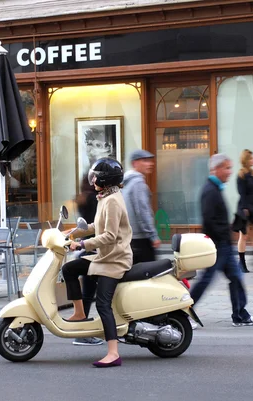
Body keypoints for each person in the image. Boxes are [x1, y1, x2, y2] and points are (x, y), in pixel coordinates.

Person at [62, 158, 133, 367]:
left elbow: (110, 235)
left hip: (115, 260)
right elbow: (97, 225)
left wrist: (82, 244)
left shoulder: (112, 201)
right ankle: (79, 312)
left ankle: (113, 353)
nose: (92, 182)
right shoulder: (105, 196)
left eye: (95, 178)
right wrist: (73, 232)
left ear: (105, 179)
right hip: (105, 257)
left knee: (103, 304)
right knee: (69, 268)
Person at [190, 154, 253, 327]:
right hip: (218, 245)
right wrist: (222, 236)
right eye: (227, 168)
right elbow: (208, 220)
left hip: (223, 244)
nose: (230, 172)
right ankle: (184, 312)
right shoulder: (210, 191)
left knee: (236, 278)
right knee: (206, 280)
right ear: (217, 169)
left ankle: (240, 315)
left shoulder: (215, 188)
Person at [72, 174, 103, 346]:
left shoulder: (83, 197)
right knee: (93, 293)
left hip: (87, 247)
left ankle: (82, 328)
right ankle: (82, 331)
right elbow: (96, 226)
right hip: (93, 249)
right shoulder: (94, 199)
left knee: (89, 292)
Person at [122, 149, 160, 264]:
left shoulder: (126, 182)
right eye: (145, 160)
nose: (150, 164)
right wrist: (153, 236)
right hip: (141, 238)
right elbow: (143, 212)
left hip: (130, 237)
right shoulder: (138, 183)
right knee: (150, 276)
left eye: (150, 160)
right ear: (135, 163)